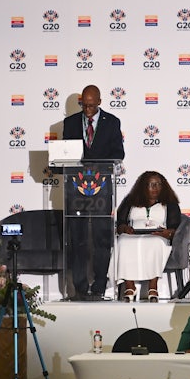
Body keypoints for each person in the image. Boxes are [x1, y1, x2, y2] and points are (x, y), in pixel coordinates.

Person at [62, 84, 126, 299]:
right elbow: (65, 153)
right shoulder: (70, 122)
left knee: (102, 238)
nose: (87, 110)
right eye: (84, 105)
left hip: (102, 187)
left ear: (99, 102)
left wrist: (98, 165)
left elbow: (119, 153)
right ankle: (79, 287)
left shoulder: (112, 122)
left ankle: (99, 285)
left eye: (91, 105)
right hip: (76, 187)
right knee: (77, 238)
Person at [115, 171, 181, 302]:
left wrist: (168, 233)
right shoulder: (130, 201)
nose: (155, 188)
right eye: (151, 184)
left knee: (155, 242)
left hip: (158, 235)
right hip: (133, 234)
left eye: (158, 184)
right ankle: (130, 287)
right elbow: (120, 223)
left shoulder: (170, 202)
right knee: (123, 242)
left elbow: (176, 228)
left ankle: (153, 287)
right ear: (143, 186)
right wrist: (124, 228)